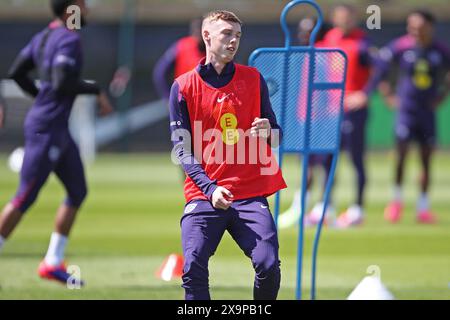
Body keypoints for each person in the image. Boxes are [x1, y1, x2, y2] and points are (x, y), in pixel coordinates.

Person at [169, 10, 287, 300]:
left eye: (237, 35)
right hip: (204, 193)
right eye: (226, 34)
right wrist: (210, 190)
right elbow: (182, 150)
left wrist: (267, 130)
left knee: (268, 264)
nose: (233, 41)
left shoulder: (253, 78)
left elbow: (277, 136)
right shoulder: (183, 87)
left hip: (249, 194)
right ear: (206, 36)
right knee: (193, 264)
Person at [0, 0, 113, 285]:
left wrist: (41, 95)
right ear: (70, 10)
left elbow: (17, 73)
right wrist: (95, 90)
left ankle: (52, 262)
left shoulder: (43, 36)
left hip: (57, 128)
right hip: (46, 129)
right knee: (25, 196)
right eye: (82, 5)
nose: (86, 10)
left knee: (77, 190)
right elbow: (63, 83)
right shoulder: (68, 38)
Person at [359, 9, 450, 224]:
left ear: (429, 26)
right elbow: (380, 69)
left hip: (427, 112)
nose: (415, 31)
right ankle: (396, 202)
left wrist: (443, 95)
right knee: (401, 156)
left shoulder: (440, 50)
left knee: (426, 159)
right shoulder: (400, 46)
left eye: (419, 27)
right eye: (411, 26)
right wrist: (388, 94)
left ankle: (423, 207)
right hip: (406, 111)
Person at [153, 18, 206, 100]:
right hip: (183, 100)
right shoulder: (181, 46)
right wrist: (167, 97)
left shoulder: (213, 51)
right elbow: (160, 72)